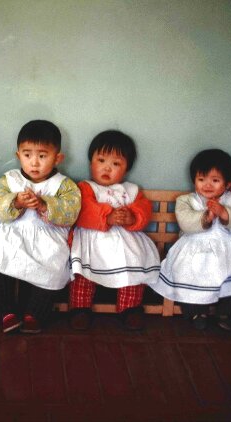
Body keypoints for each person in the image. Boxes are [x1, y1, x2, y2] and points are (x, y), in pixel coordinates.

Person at [0, 120, 81, 334]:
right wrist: (16, 202)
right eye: (27, 154)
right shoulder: (9, 180)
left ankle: (35, 314)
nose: (34, 163)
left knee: (51, 266)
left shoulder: (64, 185)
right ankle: (4, 313)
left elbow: (71, 211)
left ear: (57, 157)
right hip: (10, 236)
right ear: (18, 155)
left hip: (47, 239)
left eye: (42, 156)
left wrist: (44, 204)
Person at [150, 149, 231, 330]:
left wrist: (224, 213)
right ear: (194, 180)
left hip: (228, 249)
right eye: (201, 179)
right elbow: (185, 222)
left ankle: (229, 312)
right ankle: (195, 311)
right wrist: (205, 218)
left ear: (228, 183)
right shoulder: (186, 200)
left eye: (215, 180)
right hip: (194, 248)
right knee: (189, 272)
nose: (207, 185)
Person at [68, 130, 160, 331]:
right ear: (91, 161)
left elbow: (144, 209)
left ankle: (130, 309)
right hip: (93, 240)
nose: (107, 167)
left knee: (133, 267)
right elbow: (82, 210)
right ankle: (80, 308)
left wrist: (132, 217)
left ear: (126, 168)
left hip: (125, 243)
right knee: (83, 273)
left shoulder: (132, 190)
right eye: (101, 160)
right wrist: (107, 216)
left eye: (116, 163)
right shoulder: (86, 187)